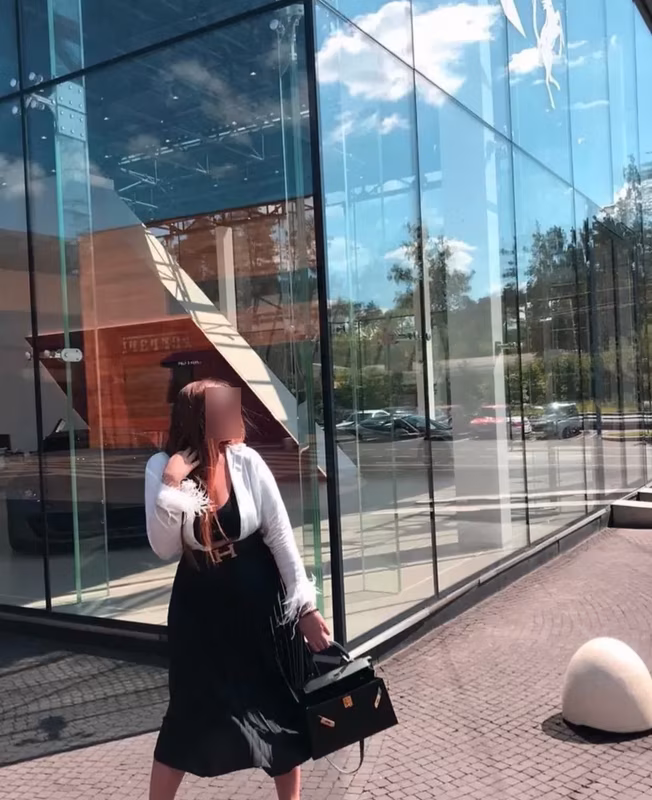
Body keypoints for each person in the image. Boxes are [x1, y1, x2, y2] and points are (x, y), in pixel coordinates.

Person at [145, 379, 331, 800]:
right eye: (223, 407)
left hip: (257, 595)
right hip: (199, 605)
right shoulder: (162, 467)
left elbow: (280, 535)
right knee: (188, 710)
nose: (235, 414)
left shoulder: (246, 460)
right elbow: (164, 547)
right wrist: (170, 487)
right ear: (199, 416)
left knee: (277, 703)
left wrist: (304, 608)